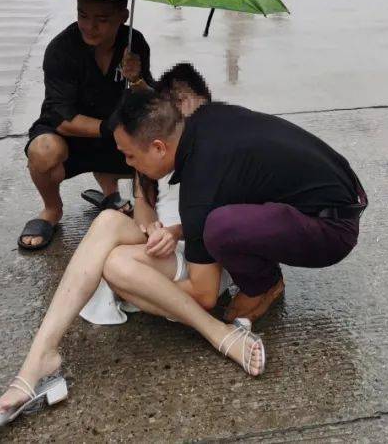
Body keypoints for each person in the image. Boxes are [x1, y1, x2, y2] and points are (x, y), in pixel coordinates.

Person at [0, 64, 263, 432]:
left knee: (114, 265)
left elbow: (218, 227)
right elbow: (145, 207)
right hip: (162, 249)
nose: (192, 126)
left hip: (200, 254)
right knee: (109, 230)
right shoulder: (153, 151)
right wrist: (152, 228)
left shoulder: (216, 150)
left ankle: (215, 332)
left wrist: (176, 232)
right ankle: (39, 358)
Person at [112, 89, 367, 325]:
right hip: (344, 190)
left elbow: (204, 296)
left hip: (333, 230)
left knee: (220, 229)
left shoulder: (199, 185)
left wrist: (132, 291)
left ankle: (264, 285)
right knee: (220, 218)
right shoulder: (206, 117)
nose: (128, 164)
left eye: (130, 156)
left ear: (158, 148)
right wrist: (179, 231)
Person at [18, 0, 152, 250]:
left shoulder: (134, 44)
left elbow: (150, 102)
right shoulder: (61, 50)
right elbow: (60, 118)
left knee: (157, 144)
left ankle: (112, 194)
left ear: (123, 17)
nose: (90, 26)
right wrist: (109, 128)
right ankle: (52, 209)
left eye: (102, 19)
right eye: (83, 15)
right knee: (43, 151)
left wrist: (136, 79)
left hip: (114, 138)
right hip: (71, 137)